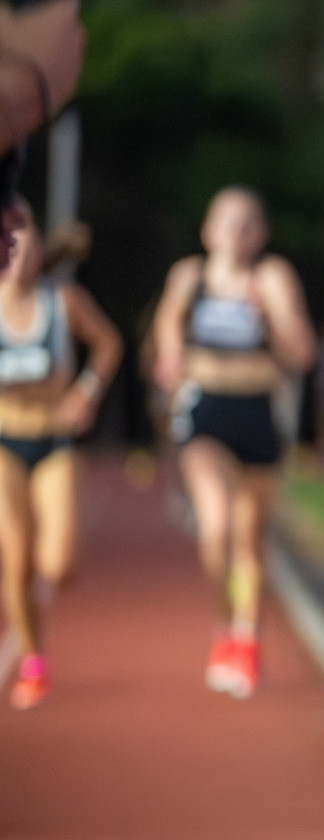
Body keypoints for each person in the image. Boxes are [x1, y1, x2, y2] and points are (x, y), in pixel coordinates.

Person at [151, 186, 316, 699]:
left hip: (258, 410)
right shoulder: (189, 276)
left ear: (260, 234)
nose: (235, 232)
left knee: (249, 538)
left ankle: (245, 637)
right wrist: (170, 357)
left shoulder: (272, 278)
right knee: (216, 528)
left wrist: (270, 318)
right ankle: (225, 623)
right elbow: (166, 326)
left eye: (246, 223)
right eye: (225, 220)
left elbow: (301, 354)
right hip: (206, 410)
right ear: (207, 229)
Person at [0, 202, 120, 708]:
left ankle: (37, 623)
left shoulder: (63, 301)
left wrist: (86, 392)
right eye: (13, 251)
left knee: (58, 565)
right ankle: (33, 660)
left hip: (54, 441)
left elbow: (108, 344)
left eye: (30, 251)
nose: (21, 262)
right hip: (4, 442)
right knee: (16, 558)